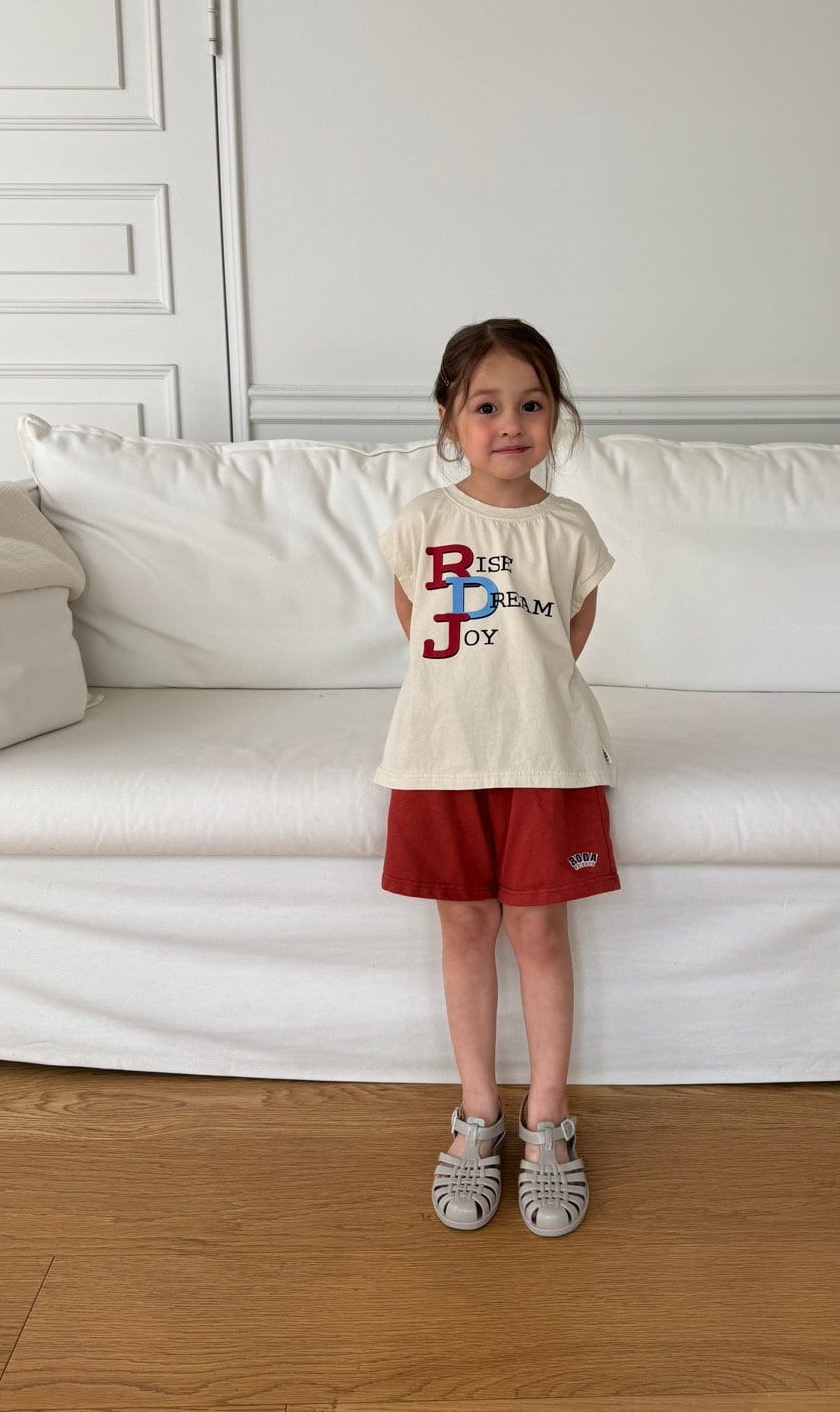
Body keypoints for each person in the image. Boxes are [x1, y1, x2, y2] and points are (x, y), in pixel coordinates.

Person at [374, 317, 621, 1238]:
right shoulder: (423, 522)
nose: (510, 423)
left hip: (545, 759)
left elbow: (567, 639)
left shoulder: (569, 529)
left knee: (540, 932)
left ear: (556, 414)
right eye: (486, 406)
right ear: (450, 418)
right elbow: (417, 627)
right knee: (467, 926)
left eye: (531, 404)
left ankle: (548, 1119)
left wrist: (518, 699)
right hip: (441, 757)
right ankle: (477, 1113)